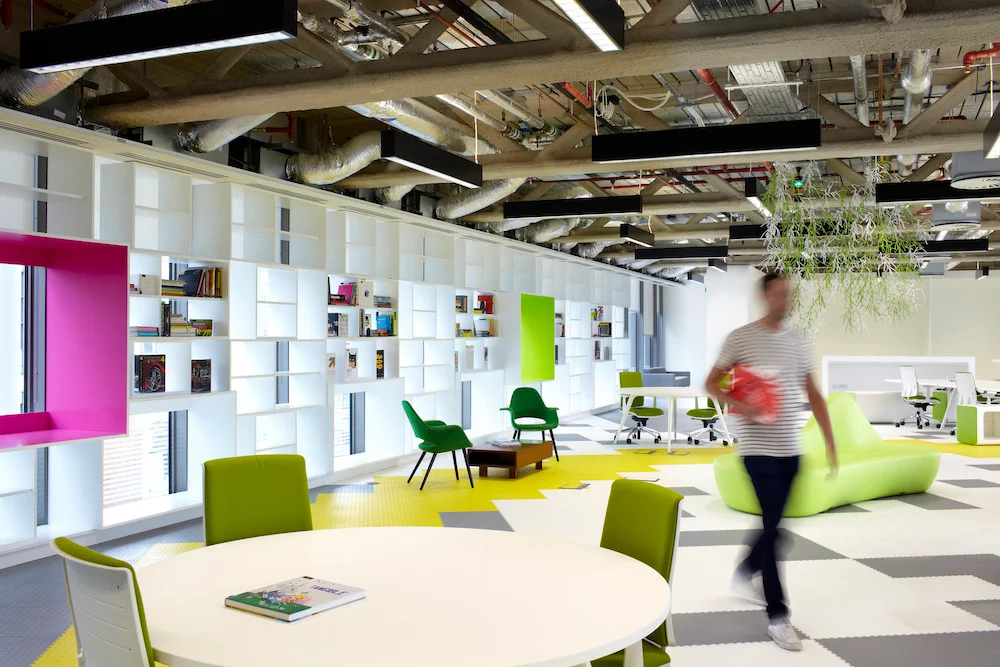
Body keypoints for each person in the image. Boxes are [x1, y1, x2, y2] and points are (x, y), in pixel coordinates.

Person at [705, 272, 837, 652]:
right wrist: (742, 404)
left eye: (789, 294)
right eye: (780, 294)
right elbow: (712, 383)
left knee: (776, 528)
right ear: (766, 296)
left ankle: (747, 568)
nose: (786, 300)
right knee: (773, 530)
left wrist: (829, 440)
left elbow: (812, 392)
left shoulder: (797, 340)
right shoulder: (741, 338)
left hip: (791, 450)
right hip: (757, 451)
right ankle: (778, 615)